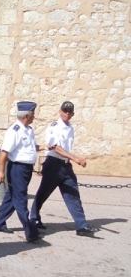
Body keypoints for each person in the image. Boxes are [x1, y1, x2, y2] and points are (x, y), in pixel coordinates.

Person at [30, 101, 99, 236]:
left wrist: (71, 159)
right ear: (60, 111)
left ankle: (81, 225)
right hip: (53, 164)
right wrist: (76, 158)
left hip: (66, 166)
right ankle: (34, 218)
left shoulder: (70, 128)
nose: (67, 113)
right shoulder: (54, 127)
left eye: (70, 111)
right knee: (43, 193)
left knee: (73, 194)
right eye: (65, 111)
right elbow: (56, 147)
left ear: (72, 114)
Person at [0, 101, 51, 242]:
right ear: (26, 115)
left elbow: (29, 147)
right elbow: (4, 152)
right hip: (17, 169)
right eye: (33, 114)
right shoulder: (14, 131)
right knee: (21, 199)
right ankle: (31, 232)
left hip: (26, 169)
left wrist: (44, 147)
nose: (34, 116)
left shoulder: (28, 130)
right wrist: (1, 171)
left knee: (11, 197)